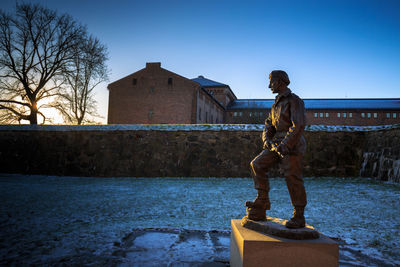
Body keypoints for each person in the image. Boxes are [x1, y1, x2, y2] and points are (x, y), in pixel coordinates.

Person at [245, 70, 307, 229]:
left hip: (292, 145)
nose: (269, 86)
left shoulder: (294, 101)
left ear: (280, 82)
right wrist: (266, 138)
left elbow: (298, 125)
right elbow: (269, 124)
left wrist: (286, 145)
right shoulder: (276, 105)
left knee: (292, 177)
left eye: (271, 82)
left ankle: (298, 215)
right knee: (257, 164)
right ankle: (262, 201)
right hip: (276, 144)